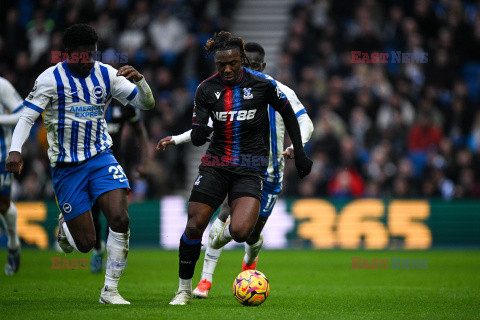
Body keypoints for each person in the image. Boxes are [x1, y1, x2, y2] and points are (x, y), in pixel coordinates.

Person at [5, 24, 154, 304]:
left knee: (120, 219)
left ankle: (110, 291)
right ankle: (65, 227)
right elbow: (26, 117)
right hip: (66, 166)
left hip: (101, 157)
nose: (88, 61)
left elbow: (147, 105)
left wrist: (141, 81)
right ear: (68, 55)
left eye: (92, 55)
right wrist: (15, 150)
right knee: (85, 245)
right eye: (82, 56)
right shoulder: (50, 79)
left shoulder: (106, 74)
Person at [165, 32, 312, 306]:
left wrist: (300, 152)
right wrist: (196, 134)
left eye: (233, 63)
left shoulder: (263, 84)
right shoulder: (206, 89)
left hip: (251, 167)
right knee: (195, 225)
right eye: (222, 64)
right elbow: (201, 126)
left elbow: (289, 113)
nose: (228, 69)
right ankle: (184, 289)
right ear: (216, 63)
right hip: (216, 164)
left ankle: (222, 242)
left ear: (241, 60)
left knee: (243, 231)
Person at [90, 98, 149, 273]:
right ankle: (98, 249)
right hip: (89, 166)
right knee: (92, 217)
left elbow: (140, 131)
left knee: (115, 214)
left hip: (114, 165)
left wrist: (144, 162)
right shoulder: (89, 101)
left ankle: (113, 260)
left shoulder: (125, 105)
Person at [0, 77, 24, 276]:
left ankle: (13, 244)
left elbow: (24, 114)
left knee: (3, 205)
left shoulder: (2, 85)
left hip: (0, 154)